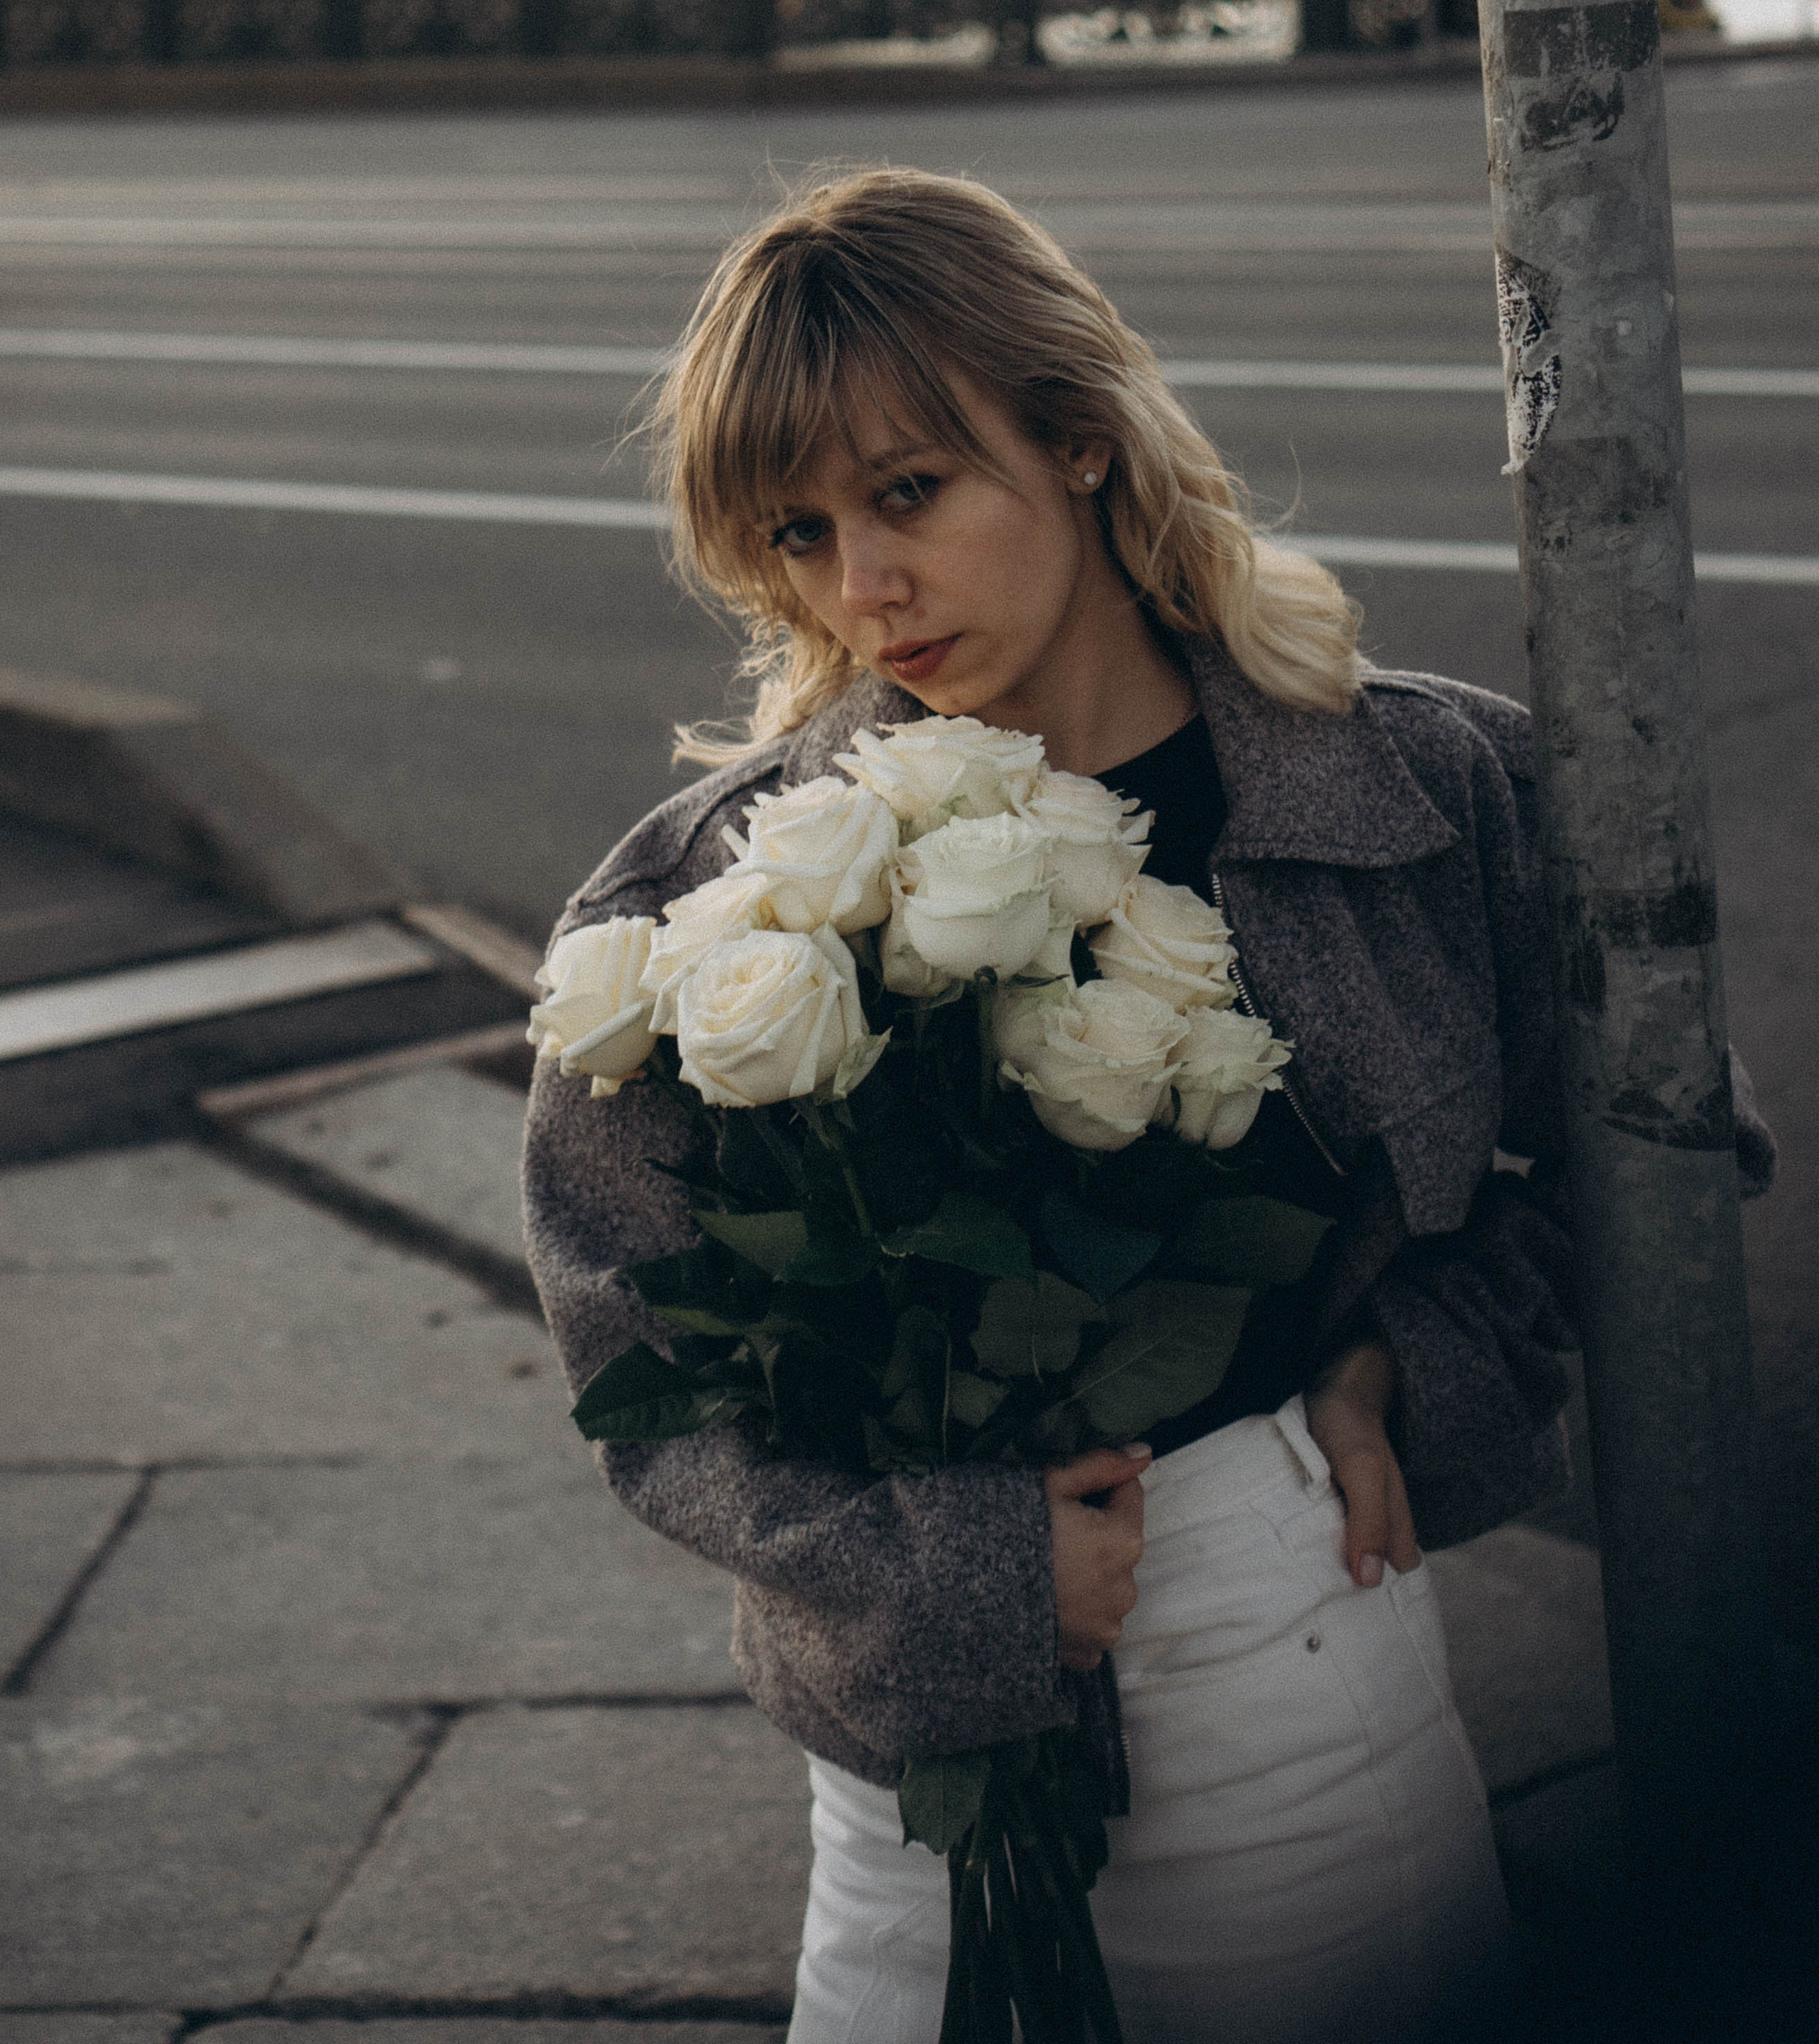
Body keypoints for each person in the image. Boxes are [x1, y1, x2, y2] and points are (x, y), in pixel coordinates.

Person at [521, 168, 1772, 2044]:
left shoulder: (1421, 794)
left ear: (1081, 439)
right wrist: (949, 1583)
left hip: (1299, 1688)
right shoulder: (714, 898)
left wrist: (1422, 1365)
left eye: (909, 492)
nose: (860, 585)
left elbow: (1672, 1148)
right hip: (909, 1780)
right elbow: (641, 1351)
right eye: (794, 529)